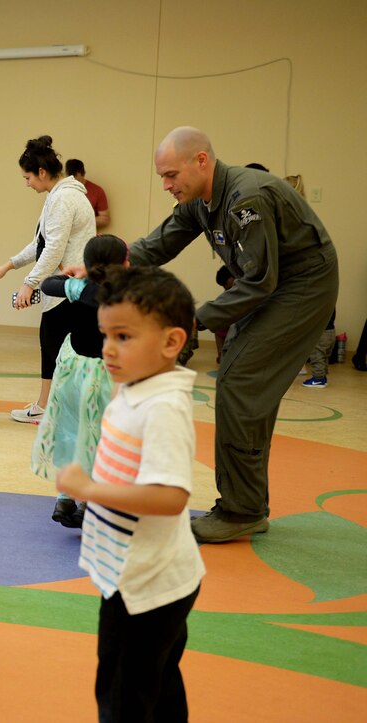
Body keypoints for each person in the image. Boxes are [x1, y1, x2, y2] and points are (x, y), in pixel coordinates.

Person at [127, 127, 339, 543]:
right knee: (244, 384)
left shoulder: (247, 199)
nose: (167, 185)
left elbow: (260, 280)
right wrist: (102, 264)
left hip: (302, 288)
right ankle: (248, 504)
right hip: (270, 285)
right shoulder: (198, 202)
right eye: (162, 178)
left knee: (240, 382)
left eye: (171, 175)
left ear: (201, 160)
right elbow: (156, 246)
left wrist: (195, 319)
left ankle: (242, 510)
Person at [55, 266, 205, 722]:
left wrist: (89, 489)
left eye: (123, 336)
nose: (107, 349)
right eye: (105, 335)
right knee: (153, 682)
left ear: (171, 342)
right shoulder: (137, 387)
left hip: (149, 584)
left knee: (123, 695)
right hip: (134, 573)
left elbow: (170, 497)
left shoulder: (163, 407)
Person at [0, 136, 96, 424]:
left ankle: (52, 408)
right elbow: (40, 242)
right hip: (66, 286)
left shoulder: (64, 198)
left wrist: (29, 283)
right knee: (54, 347)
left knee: (55, 347)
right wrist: (9, 265)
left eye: (27, 177)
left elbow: (53, 248)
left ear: (42, 173)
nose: (27, 183)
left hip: (67, 287)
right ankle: (47, 405)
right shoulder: (59, 195)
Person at [33, 235, 129, 529]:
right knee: (98, 436)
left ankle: (66, 496)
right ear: (123, 264)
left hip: (72, 369)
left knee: (71, 429)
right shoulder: (124, 294)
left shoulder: (80, 288)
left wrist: (80, 274)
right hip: (103, 376)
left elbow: (48, 284)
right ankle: (89, 502)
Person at [65, 159, 111, 230]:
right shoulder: (62, 191)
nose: (74, 183)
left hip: (88, 238)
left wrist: (82, 221)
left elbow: (105, 219)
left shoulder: (97, 191)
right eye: (71, 179)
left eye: (77, 179)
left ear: (83, 174)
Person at [302, 311, 336, 389]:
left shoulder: (320, 302)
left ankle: (318, 379)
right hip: (330, 331)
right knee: (324, 356)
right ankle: (323, 376)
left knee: (317, 356)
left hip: (321, 332)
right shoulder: (330, 301)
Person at [213, 266, 235, 363]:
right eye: (225, 287)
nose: (226, 289)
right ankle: (222, 356)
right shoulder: (226, 297)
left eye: (229, 286)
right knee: (218, 326)